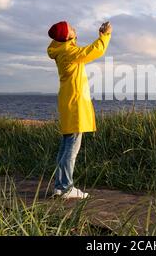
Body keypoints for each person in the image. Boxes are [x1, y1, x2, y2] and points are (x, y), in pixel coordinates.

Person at [47, 20, 112, 199]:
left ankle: (60, 187)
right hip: (75, 104)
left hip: (68, 102)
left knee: (66, 146)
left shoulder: (62, 49)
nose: (74, 29)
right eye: (71, 29)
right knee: (71, 149)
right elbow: (93, 51)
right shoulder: (69, 52)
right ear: (67, 36)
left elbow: (81, 49)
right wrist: (105, 35)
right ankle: (66, 188)